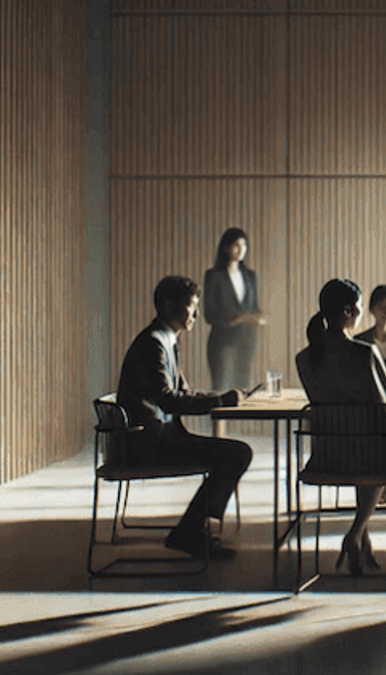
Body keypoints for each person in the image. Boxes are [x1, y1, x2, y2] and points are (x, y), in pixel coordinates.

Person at [116, 275, 252, 560]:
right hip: (147, 445)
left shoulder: (164, 339)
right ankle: (191, 531)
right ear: (168, 306)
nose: (197, 314)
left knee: (236, 452)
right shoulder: (155, 343)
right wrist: (222, 400)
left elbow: (183, 393)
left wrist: (223, 396)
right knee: (237, 454)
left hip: (155, 438)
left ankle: (193, 529)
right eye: (191, 306)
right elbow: (169, 400)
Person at [295, 278, 386, 575]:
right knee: (378, 452)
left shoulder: (305, 358)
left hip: (326, 456)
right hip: (369, 457)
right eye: (359, 308)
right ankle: (354, 535)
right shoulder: (365, 353)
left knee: (365, 448)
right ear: (349, 311)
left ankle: (362, 538)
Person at [204, 228, 265, 392]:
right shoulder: (214, 275)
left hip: (247, 340)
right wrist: (241, 318)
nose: (241, 249)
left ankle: (237, 419)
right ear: (226, 248)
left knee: (242, 388)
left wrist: (259, 318)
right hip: (222, 340)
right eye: (236, 245)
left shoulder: (250, 275)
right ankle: (219, 419)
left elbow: (255, 307)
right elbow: (209, 315)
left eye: (244, 244)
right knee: (220, 388)